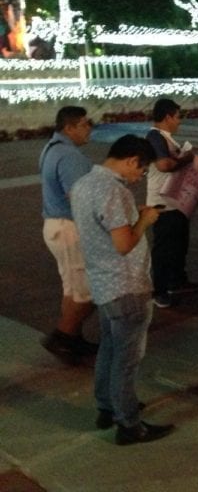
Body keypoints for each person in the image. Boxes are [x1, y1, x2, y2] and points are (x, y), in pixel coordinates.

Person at [70, 134, 174, 445]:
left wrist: (133, 217)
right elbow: (124, 244)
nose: (139, 177)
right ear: (131, 161)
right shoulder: (115, 191)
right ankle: (128, 424)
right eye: (141, 170)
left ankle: (107, 406)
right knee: (127, 358)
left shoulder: (84, 184)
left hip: (102, 283)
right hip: (126, 285)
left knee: (110, 348)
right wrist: (145, 220)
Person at [39, 106, 97, 364]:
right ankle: (61, 337)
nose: (89, 129)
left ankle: (72, 338)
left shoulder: (52, 148)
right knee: (88, 291)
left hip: (57, 225)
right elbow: (79, 197)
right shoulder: (69, 155)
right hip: (69, 228)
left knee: (73, 289)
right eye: (85, 124)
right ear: (69, 127)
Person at [145, 98, 198, 309]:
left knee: (178, 244)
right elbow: (164, 165)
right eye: (177, 117)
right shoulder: (155, 137)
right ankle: (159, 290)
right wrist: (187, 158)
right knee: (164, 249)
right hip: (162, 203)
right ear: (167, 117)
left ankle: (177, 281)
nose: (179, 121)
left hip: (174, 201)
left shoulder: (163, 137)